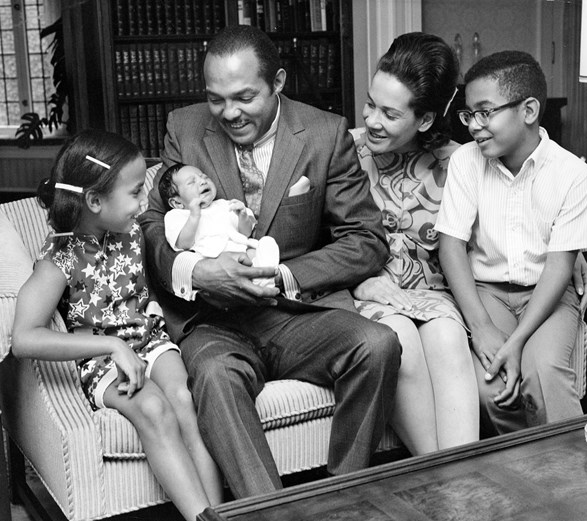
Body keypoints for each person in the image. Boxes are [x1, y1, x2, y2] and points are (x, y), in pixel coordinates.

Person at [138, 24, 402, 498]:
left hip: (295, 314)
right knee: (216, 377)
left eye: (243, 97)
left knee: (378, 344)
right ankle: (269, 513)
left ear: (278, 82)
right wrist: (196, 271)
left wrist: (283, 275)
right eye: (216, 99)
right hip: (214, 320)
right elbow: (156, 228)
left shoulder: (324, 132)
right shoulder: (184, 127)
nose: (229, 113)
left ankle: (342, 501)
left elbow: (365, 238)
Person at [11, 130, 223, 521]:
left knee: (182, 397)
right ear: (94, 200)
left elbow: (142, 292)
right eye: (135, 193)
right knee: (155, 408)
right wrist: (113, 347)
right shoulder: (59, 257)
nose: (145, 204)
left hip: (150, 340)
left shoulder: (133, 233)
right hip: (102, 360)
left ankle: (222, 514)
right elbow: (23, 338)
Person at [435, 51, 587, 436]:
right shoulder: (466, 163)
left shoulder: (574, 175)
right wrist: (482, 328)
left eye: (485, 112)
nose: (474, 126)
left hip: (548, 293)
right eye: (468, 114)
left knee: (542, 375)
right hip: (487, 291)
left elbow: (560, 266)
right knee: (492, 388)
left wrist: (518, 342)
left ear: (528, 110)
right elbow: (451, 246)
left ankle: (569, 479)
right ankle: (523, 474)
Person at [350, 32, 479, 454]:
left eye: (389, 113)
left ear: (424, 120)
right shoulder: (343, 152)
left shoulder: (461, 162)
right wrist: (359, 282)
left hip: (432, 295)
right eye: (370, 104)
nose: (371, 121)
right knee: (398, 336)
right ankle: (445, 481)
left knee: (446, 335)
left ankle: (458, 483)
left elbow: (516, 213)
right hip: (363, 291)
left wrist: (571, 256)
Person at [159, 163, 259, 257]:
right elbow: (183, 245)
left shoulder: (224, 205)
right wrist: (194, 216)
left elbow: (246, 233)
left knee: (263, 248)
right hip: (210, 260)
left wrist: (243, 216)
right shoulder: (176, 216)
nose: (203, 181)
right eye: (191, 182)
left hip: (242, 251)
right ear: (177, 203)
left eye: (204, 177)